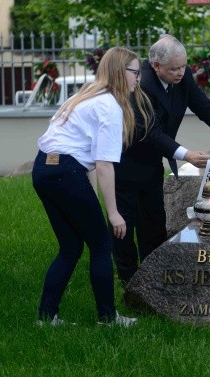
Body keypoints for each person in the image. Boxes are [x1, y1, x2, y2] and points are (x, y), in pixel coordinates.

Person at [32, 46, 151, 327]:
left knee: (70, 247)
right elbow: (104, 164)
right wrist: (113, 213)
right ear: (122, 73)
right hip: (65, 172)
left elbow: (83, 161)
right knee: (101, 245)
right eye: (136, 73)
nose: (138, 79)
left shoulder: (85, 95)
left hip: (43, 169)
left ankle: (46, 318)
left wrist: (92, 201)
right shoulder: (109, 106)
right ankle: (109, 319)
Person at [112, 34, 210, 285]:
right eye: (175, 68)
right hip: (125, 164)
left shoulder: (180, 77)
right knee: (125, 225)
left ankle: (153, 276)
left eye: (184, 66)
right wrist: (187, 155)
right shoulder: (142, 84)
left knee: (153, 221)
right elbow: (150, 132)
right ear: (155, 65)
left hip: (151, 164)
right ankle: (128, 280)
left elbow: (202, 104)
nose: (181, 73)